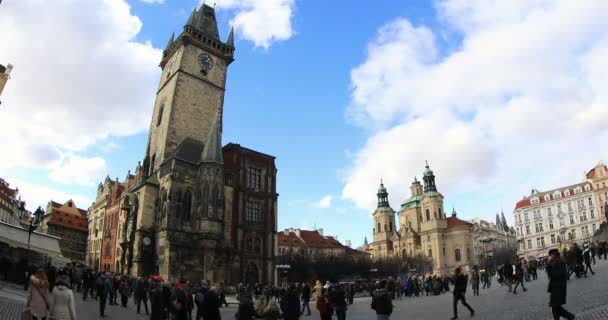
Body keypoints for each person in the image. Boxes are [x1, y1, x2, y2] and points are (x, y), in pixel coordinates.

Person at [546, 249, 575, 320]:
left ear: (555, 255)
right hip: (554, 287)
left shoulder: (561, 262)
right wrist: (548, 265)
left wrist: (551, 269)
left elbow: (560, 274)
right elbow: (549, 274)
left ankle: (570, 316)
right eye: (550, 255)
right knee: (555, 307)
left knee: (555, 307)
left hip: (559, 287)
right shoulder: (552, 263)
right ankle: (570, 316)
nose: (550, 257)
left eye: (551, 255)